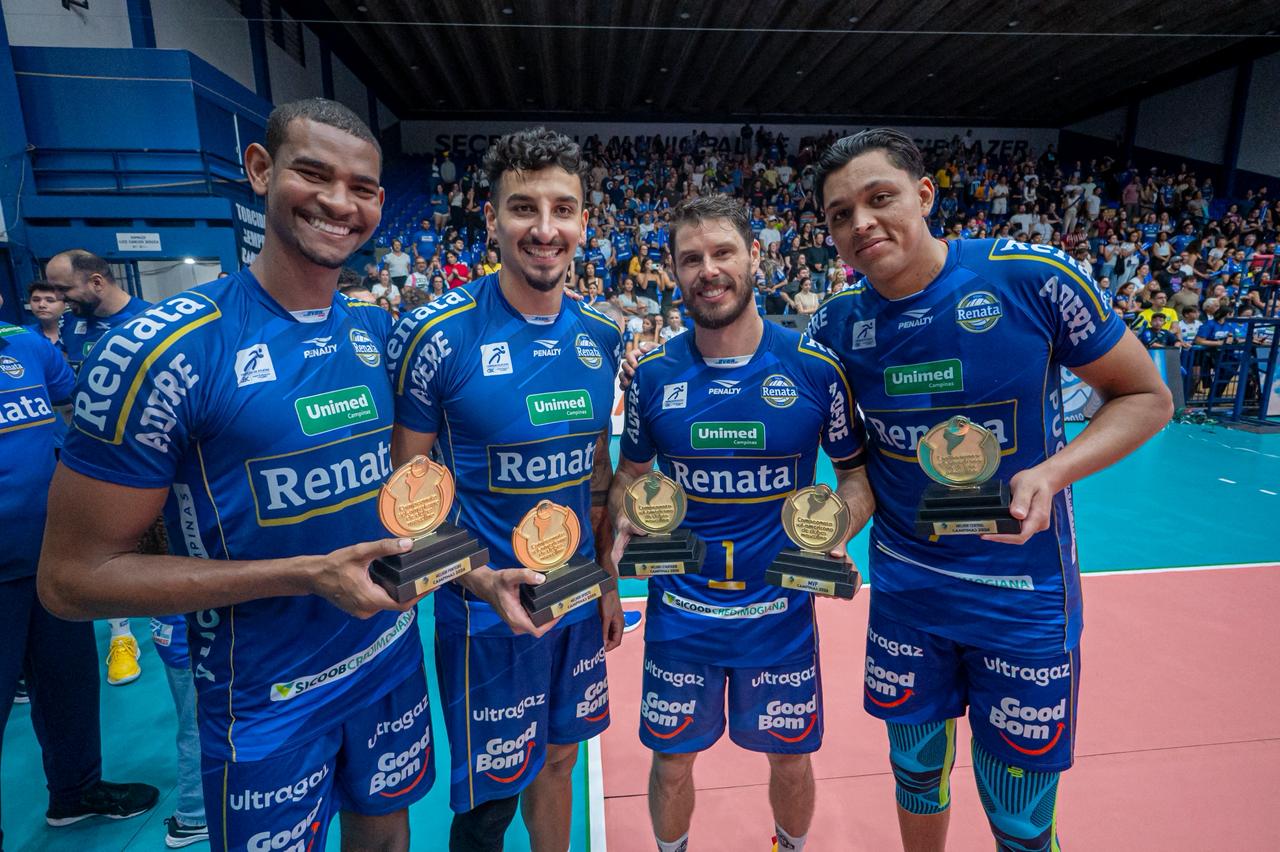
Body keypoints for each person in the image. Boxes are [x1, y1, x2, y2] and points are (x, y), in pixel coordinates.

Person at [38, 98, 435, 852]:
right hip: (260, 699)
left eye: (360, 187)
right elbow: (70, 580)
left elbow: (396, 503)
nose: (337, 203)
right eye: (313, 174)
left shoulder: (378, 333)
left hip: (388, 659)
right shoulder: (166, 351)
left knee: (387, 840)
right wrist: (306, 574)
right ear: (259, 170)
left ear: (380, 202)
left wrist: (476, 572)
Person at [809, 129, 1171, 851]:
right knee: (914, 774)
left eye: (879, 199)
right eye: (840, 214)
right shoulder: (836, 327)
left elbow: (1146, 397)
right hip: (908, 598)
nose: (861, 224)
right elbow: (858, 476)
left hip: (1023, 602)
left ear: (925, 194)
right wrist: (830, 531)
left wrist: (1053, 471)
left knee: (1019, 816)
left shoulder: (1031, 278)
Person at [387, 127, 624, 852]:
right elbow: (404, 499)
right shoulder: (434, 335)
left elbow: (594, 469)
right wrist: (480, 578)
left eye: (563, 209)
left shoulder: (602, 333)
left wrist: (608, 584)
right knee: (490, 799)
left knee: (560, 760)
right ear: (492, 220)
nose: (545, 230)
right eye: (523, 208)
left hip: (576, 594)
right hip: (484, 608)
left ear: (586, 221)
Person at [609, 195, 868, 852]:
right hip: (680, 613)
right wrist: (625, 522)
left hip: (778, 612)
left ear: (755, 256)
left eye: (722, 252)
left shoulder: (815, 371)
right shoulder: (654, 376)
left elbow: (857, 479)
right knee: (671, 762)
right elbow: (630, 478)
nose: (708, 270)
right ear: (672, 270)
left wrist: (832, 537)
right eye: (690, 258)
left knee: (789, 759)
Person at [0, 296, 159, 845]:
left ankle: (75, 792)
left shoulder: (25, 347)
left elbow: (78, 413)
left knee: (69, 686)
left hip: (50, 557)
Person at [43, 249, 150, 686]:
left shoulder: (155, 322)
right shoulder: (72, 327)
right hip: (93, 463)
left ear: (96, 283)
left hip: (147, 466)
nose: (57, 298)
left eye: (64, 289)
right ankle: (121, 636)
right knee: (104, 554)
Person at [25, 280, 65, 346]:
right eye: (36, 300)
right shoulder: (25, 334)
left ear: (66, 304)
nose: (41, 305)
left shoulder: (77, 333)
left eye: (50, 300)